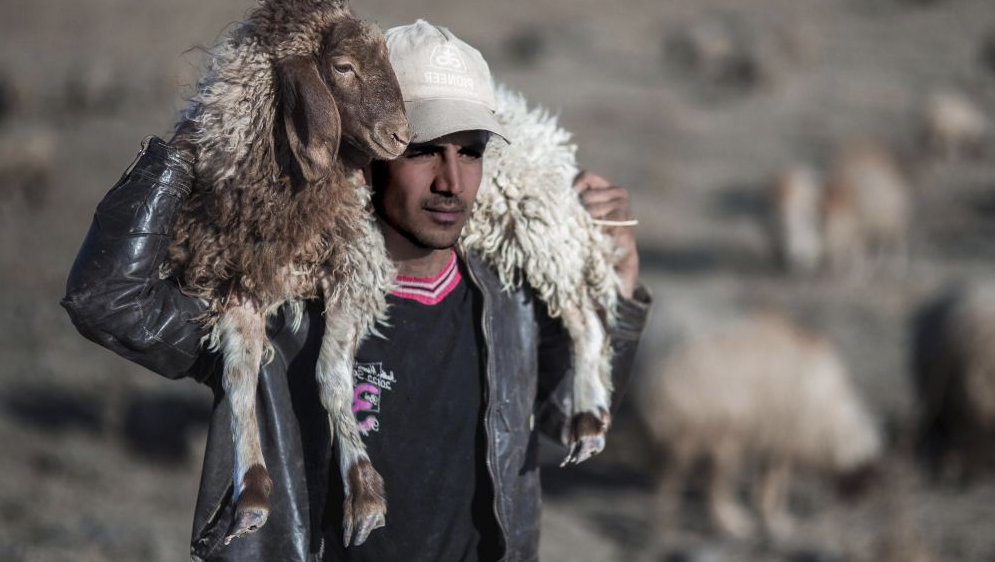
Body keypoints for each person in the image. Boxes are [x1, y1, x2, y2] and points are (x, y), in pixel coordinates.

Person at [62, 19, 650, 562]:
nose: (452, 181)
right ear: (368, 154)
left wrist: (617, 280)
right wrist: (191, 148)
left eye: (471, 152)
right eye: (422, 150)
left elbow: (558, 412)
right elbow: (108, 302)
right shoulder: (280, 306)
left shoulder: (505, 299)